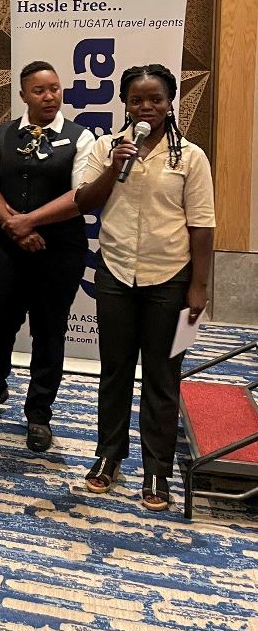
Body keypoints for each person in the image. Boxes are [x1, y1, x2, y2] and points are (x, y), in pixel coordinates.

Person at [75, 64, 214, 511]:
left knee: (163, 376)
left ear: (170, 103)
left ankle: (157, 469)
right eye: (137, 100)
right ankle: (108, 456)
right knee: (114, 371)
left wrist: (199, 288)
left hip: (171, 280)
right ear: (125, 104)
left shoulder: (190, 156)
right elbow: (84, 201)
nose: (146, 107)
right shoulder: (106, 147)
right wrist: (114, 166)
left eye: (156, 99)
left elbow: (203, 227)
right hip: (115, 274)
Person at [0, 62, 94, 452]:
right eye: (39, 91)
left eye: (55, 88)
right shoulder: (1, 134)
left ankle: (39, 413)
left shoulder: (82, 138)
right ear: (23, 95)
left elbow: (81, 195)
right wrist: (15, 227)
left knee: (48, 330)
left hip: (59, 252)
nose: (49, 96)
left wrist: (30, 221)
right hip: (6, 247)